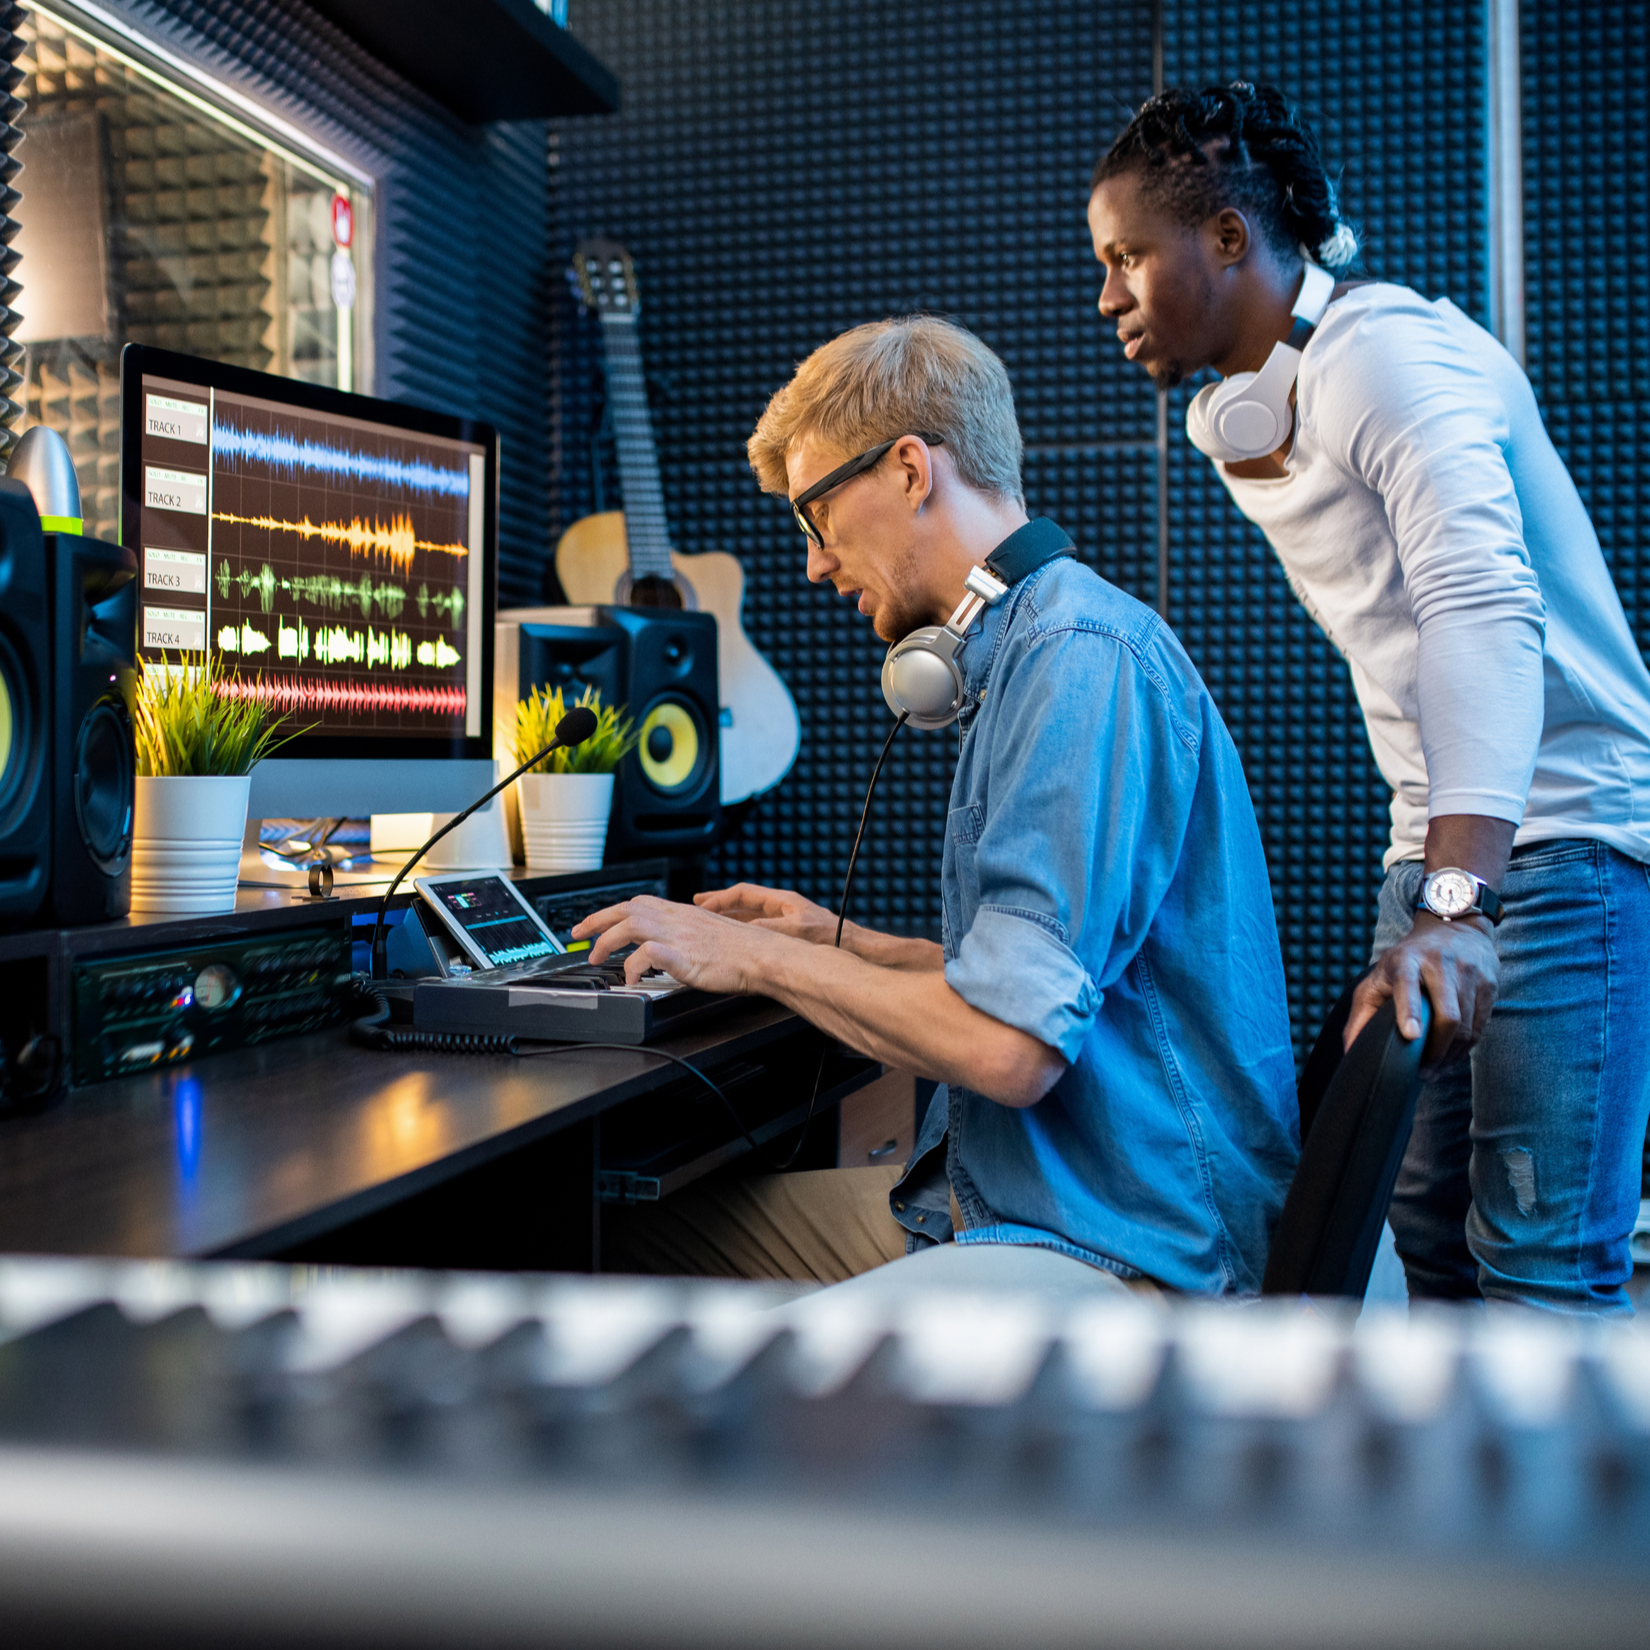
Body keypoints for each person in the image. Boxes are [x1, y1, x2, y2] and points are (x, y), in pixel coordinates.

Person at [574, 315, 1299, 1302]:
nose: (814, 563)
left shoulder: (1078, 662)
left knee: (634, 1298)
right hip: (1036, 1207)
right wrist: (837, 943)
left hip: (1129, 1254)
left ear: (910, 471)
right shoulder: (1036, 652)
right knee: (615, 1239)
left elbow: (1007, 1046)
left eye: (816, 515)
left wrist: (756, 958)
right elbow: (1058, 982)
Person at [1088, 82, 1650, 1314]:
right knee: (1425, 1254)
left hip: (1550, 853)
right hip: (1440, 859)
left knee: (1543, 1270)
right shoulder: (1243, 416)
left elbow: (1482, 613)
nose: (1108, 297)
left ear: (1229, 239)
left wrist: (1458, 903)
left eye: (1129, 258)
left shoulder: (1388, 359)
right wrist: (1428, 891)